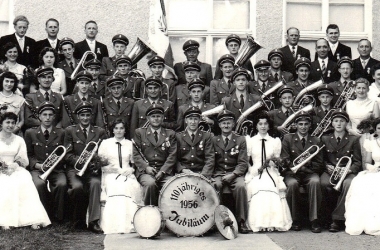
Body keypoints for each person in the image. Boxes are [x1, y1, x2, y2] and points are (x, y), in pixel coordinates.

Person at [0, 112, 50, 230]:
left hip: (15, 168)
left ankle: (32, 218)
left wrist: (14, 166)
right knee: (5, 184)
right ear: (1, 124)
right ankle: (5, 220)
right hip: (1, 169)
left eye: (13, 123)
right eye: (7, 122)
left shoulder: (19, 140)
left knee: (24, 180)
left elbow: (23, 158)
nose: (10, 125)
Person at [245, 112, 292, 232]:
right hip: (255, 171)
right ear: (256, 126)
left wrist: (275, 163)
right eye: (260, 124)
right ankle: (259, 222)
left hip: (271, 172)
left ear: (269, 126)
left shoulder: (275, 141)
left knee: (270, 185)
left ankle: (272, 222)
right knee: (257, 186)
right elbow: (246, 160)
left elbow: (277, 160)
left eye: (265, 124)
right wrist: (252, 170)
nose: (263, 126)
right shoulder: (250, 141)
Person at [64, 101, 106, 233]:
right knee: (77, 187)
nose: (85, 118)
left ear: (91, 116)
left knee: (95, 184)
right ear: (78, 116)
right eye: (82, 115)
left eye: (88, 115)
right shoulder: (70, 131)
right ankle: (78, 220)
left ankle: (93, 221)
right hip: (75, 169)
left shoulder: (99, 131)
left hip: (92, 171)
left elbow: (104, 154)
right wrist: (81, 161)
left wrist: (95, 163)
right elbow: (67, 154)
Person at [281, 111, 324, 233]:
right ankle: (295, 219)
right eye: (300, 124)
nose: (303, 127)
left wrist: (305, 166)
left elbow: (319, 163)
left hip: (310, 173)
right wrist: (295, 167)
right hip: (292, 173)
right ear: (295, 125)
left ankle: (314, 219)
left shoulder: (316, 140)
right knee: (292, 184)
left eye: (306, 124)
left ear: (310, 125)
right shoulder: (288, 138)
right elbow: (285, 159)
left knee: (315, 182)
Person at [24, 102, 67, 223]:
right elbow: (28, 154)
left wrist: (54, 164)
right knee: (39, 185)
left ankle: (58, 217)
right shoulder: (30, 133)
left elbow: (64, 153)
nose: (47, 118)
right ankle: (44, 216)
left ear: (54, 117)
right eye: (44, 115)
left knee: (62, 184)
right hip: (38, 169)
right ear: (39, 116)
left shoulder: (61, 132)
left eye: (50, 115)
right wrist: (37, 165)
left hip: (56, 170)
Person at [98, 119, 143, 234]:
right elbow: (101, 165)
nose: (119, 131)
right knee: (116, 186)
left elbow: (135, 163)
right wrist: (115, 169)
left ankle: (130, 223)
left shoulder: (130, 143)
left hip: (127, 173)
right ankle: (114, 225)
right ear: (112, 130)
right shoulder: (105, 143)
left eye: (121, 128)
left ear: (125, 130)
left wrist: (131, 169)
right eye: (116, 128)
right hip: (110, 173)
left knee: (130, 185)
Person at [320, 109, 361, 232]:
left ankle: (337, 219)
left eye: (342, 121)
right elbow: (322, 159)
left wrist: (348, 171)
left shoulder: (353, 139)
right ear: (332, 123)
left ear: (346, 123)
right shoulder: (325, 138)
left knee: (348, 184)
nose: (339, 124)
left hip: (347, 172)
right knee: (323, 183)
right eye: (336, 121)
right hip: (330, 172)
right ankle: (325, 217)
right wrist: (327, 167)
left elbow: (357, 161)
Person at [212, 110, 250, 234]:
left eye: (228, 123)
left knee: (241, 187)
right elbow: (211, 160)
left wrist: (233, 174)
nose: (226, 125)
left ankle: (242, 221)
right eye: (223, 123)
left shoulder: (240, 140)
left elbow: (243, 163)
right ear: (219, 125)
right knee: (215, 186)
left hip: (234, 173)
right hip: (218, 173)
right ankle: (216, 221)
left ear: (233, 124)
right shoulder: (214, 140)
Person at [133, 104, 177, 206]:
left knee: (171, 184)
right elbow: (136, 154)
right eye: (153, 116)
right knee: (150, 184)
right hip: (146, 172)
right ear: (148, 118)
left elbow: (172, 155)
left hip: (164, 172)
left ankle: (168, 216)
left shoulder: (170, 134)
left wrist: (163, 171)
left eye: (158, 116)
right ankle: (150, 213)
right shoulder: (140, 132)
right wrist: (146, 168)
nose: (156, 119)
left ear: (163, 118)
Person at [345, 118, 380, 235]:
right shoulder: (371, 143)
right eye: (379, 128)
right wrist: (372, 168)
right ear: (375, 130)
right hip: (376, 171)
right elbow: (367, 162)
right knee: (361, 184)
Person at [175, 107, 214, 177]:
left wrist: (203, 174)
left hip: (201, 173)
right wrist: (182, 169)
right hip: (183, 174)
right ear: (186, 120)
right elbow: (174, 158)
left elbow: (210, 158)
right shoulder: (178, 137)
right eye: (190, 119)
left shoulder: (207, 136)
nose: (193, 122)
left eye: (196, 119)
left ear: (199, 120)